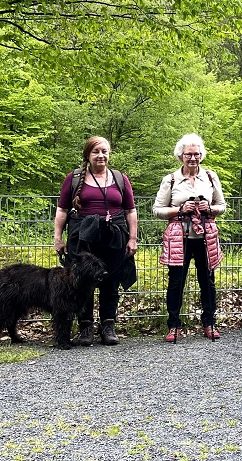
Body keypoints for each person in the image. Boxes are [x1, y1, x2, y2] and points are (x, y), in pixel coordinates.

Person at [53, 136, 139, 346]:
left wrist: (133, 238)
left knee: (111, 281)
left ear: (109, 154)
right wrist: (58, 237)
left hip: (113, 237)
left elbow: (130, 210)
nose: (101, 155)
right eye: (96, 152)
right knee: (82, 282)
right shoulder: (73, 178)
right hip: (82, 239)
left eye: (104, 151)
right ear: (88, 155)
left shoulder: (120, 178)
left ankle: (108, 326)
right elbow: (62, 210)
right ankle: (85, 327)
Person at [153, 133, 226, 342]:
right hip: (179, 238)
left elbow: (222, 206)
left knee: (208, 282)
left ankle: (209, 322)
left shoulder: (211, 177)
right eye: (188, 154)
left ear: (201, 155)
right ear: (181, 156)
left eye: (196, 154)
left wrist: (209, 208)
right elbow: (157, 209)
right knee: (176, 282)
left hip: (205, 237)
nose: (193, 158)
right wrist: (179, 209)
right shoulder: (171, 179)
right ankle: (173, 326)